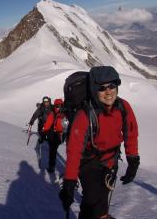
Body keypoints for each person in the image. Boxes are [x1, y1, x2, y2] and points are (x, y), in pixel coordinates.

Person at [59, 66, 140, 219]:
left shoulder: (123, 107)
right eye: (102, 88)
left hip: (111, 160)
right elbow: (74, 150)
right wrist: (70, 181)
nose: (108, 92)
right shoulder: (84, 115)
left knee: (102, 197)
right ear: (94, 90)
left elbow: (131, 133)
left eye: (112, 86)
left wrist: (133, 159)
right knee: (92, 201)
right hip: (89, 163)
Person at [42, 98, 66, 173]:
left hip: (60, 135)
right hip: (56, 134)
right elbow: (48, 123)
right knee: (53, 150)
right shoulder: (54, 114)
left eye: (60, 105)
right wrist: (44, 131)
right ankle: (52, 166)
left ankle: (52, 166)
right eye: (57, 106)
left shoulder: (65, 114)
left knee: (54, 150)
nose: (58, 107)